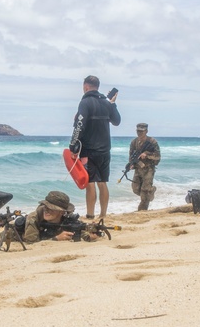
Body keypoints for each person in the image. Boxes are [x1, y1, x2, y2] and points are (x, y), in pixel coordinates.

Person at [69, 75, 121, 220]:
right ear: (97, 86)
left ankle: (90, 214)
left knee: (90, 182)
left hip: (89, 151)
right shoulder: (106, 103)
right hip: (105, 150)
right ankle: (103, 215)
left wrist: (73, 146)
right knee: (102, 182)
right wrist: (112, 104)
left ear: (85, 86)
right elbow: (117, 121)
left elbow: (79, 126)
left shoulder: (85, 103)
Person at [18, 190, 100, 243]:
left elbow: (80, 233)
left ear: (62, 212)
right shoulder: (34, 217)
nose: (46, 210)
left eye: (51, 208)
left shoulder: (67, 220)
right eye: (46, 206)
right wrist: (56, 238)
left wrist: (91, 236)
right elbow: (31, 242)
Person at [127, 123, 161, 211]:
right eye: (138, 131)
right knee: (135, 188)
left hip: (148, 169)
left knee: (145, 190)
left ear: (146, 131)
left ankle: (142, 210)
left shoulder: (152, 142)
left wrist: (147, 154)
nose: (140, 133)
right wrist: (131, 164)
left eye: (142, 131)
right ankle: (151, 191)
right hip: (138, 169)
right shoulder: (134, 142)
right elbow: (131, 156)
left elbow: (158, 156)